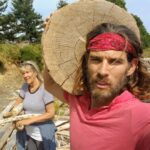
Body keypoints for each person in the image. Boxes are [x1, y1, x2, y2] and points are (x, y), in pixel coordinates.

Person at [43, 22, 150, 150]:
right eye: (96, 60)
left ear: (131, 67)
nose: (102, 71)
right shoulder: (79, 104)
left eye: (115, 62)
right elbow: (49, 83)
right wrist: (48, 37)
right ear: (87, 62)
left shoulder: (143, 118)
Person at [14, 61, 56, 150]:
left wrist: (29, 120)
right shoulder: (25, 87)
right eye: (23, 73)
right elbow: (17, 103)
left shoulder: (45, 89)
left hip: (41, 134)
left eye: (27, 72)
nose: (25, 76)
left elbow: (51, 113)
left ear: (35, 73)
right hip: (28, 133)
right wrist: (15, 120)